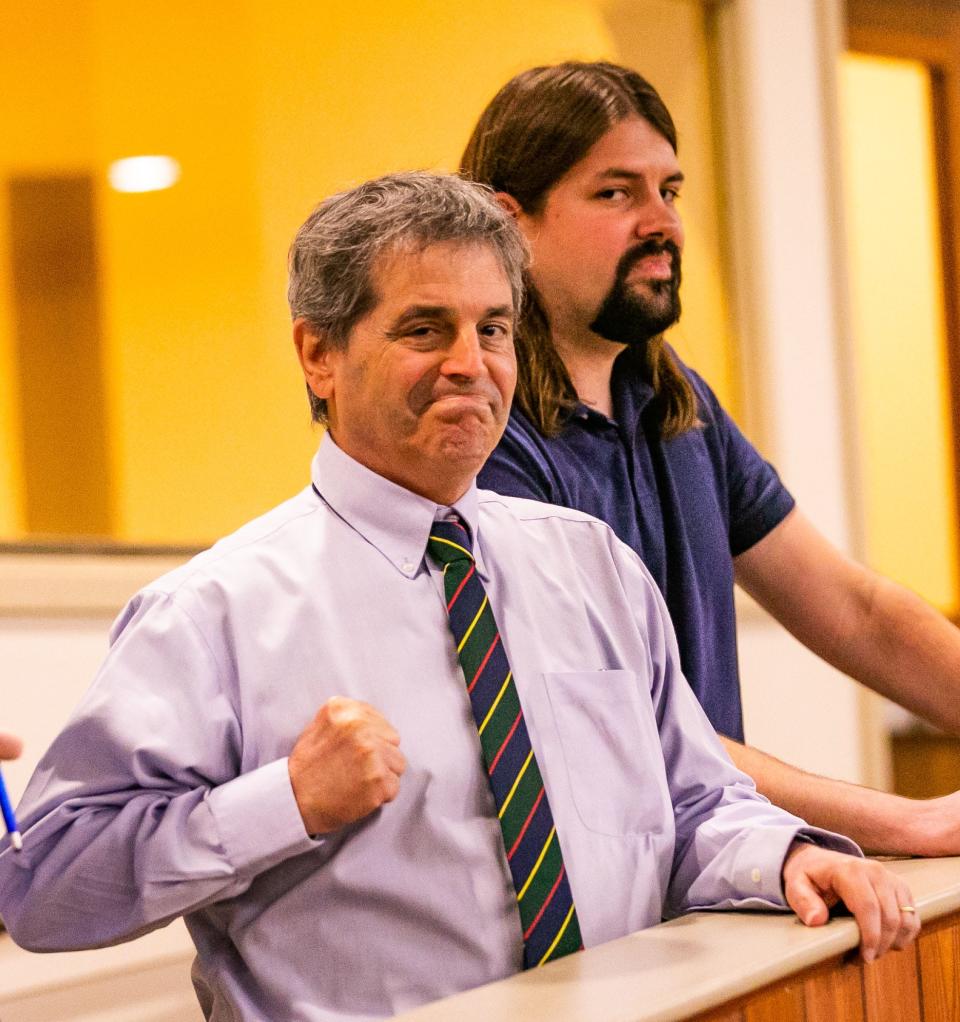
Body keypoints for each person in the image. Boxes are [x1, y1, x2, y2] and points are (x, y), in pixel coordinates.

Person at [0, 173, 918, 1022]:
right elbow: (42, 892)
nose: (471, 364)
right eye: (424, 329)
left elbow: (694, 804)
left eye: (493, 328)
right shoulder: (212, 615)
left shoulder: (593, 567)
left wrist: (792, 856)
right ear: (319, 353)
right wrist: (284, 801)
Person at [462, 61, 960, 857]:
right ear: (510, 223)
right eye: (616, 192)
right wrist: (911, 821)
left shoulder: (677, 407)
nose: (661, 223)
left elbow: (853, 610)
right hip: (593, 918)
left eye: (671, 190)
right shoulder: (486, 443)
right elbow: (628, 728)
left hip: (715, 873)